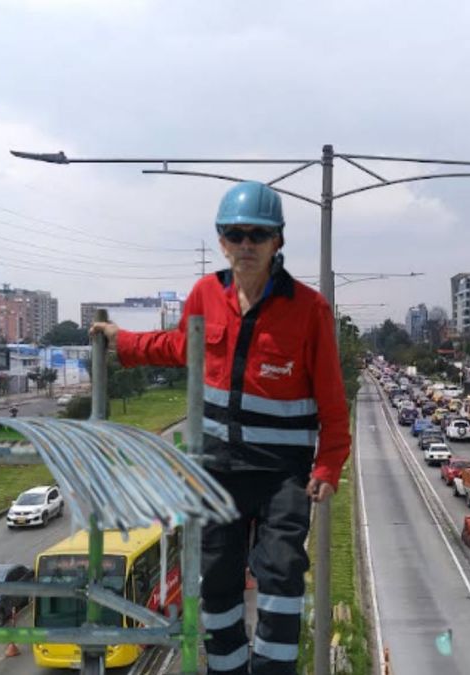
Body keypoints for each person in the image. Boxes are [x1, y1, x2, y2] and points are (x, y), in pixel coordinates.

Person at [90, 181, 351, 675]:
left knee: (280, 572)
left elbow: (333, 403)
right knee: (216, 576)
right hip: (217, 468)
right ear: (222, 240)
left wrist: (329, 463)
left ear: (278, 241)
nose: (246, 244)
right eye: (236, 234)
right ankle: (227, 669)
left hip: (282, 474)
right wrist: (121, 342)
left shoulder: (309, 309)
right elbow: (177, 346)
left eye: (258, 234)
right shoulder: (206, 294)